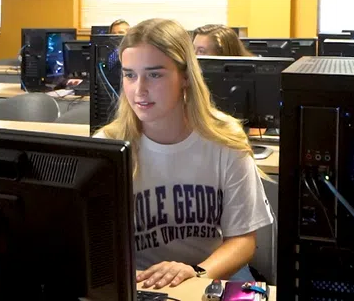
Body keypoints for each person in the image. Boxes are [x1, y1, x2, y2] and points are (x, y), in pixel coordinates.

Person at [96, 19, 273, 290]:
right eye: (130, 74)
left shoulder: (225, 140)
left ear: (186, 77)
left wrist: (196, 273)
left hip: (212, 278)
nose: (139, 89)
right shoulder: (109, 145)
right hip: (142, 284)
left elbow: (243, 241)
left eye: (154, 75)